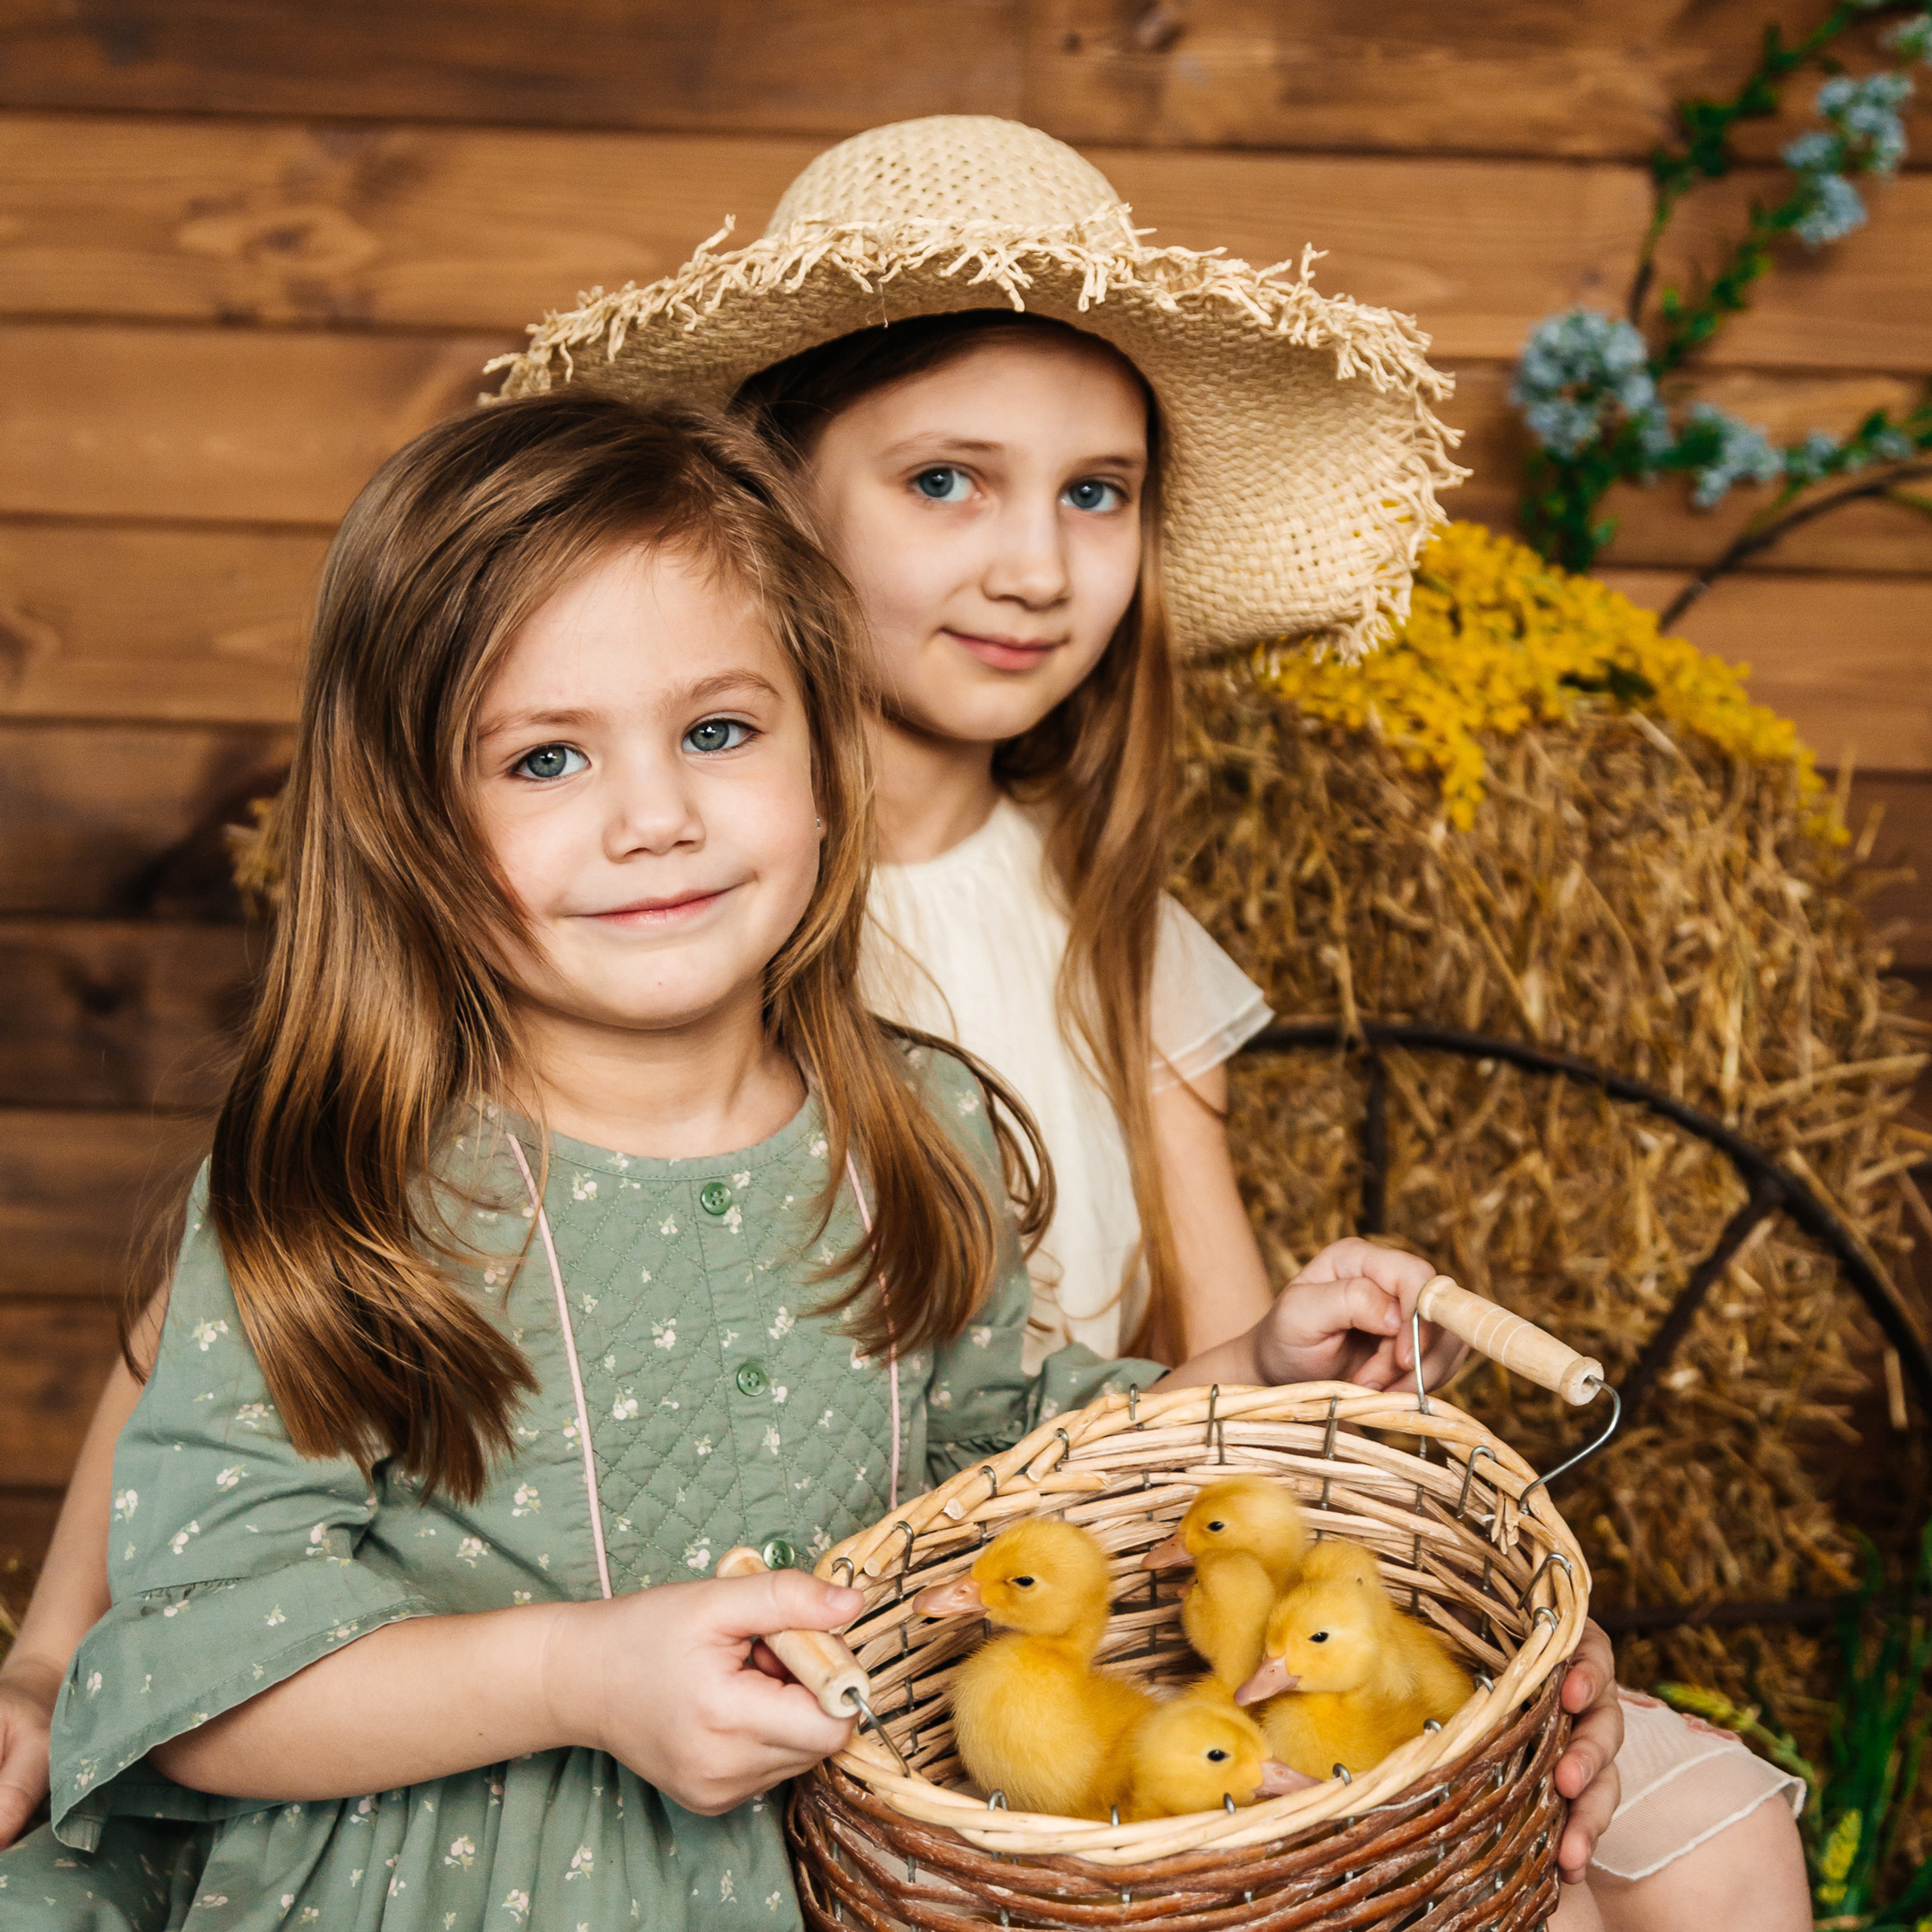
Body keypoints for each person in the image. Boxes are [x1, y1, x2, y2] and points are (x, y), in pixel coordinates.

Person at [0, 390, 1520, 1930]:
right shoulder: (355, 1181)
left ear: (825, 758)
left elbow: (1004, 1466)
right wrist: (577, 1676)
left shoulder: (916, 1127)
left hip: (862, 1868)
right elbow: (198, 1677)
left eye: (717, 732)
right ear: (409, 824)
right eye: (545, 759)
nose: (655, 816)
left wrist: (1253, 1373)